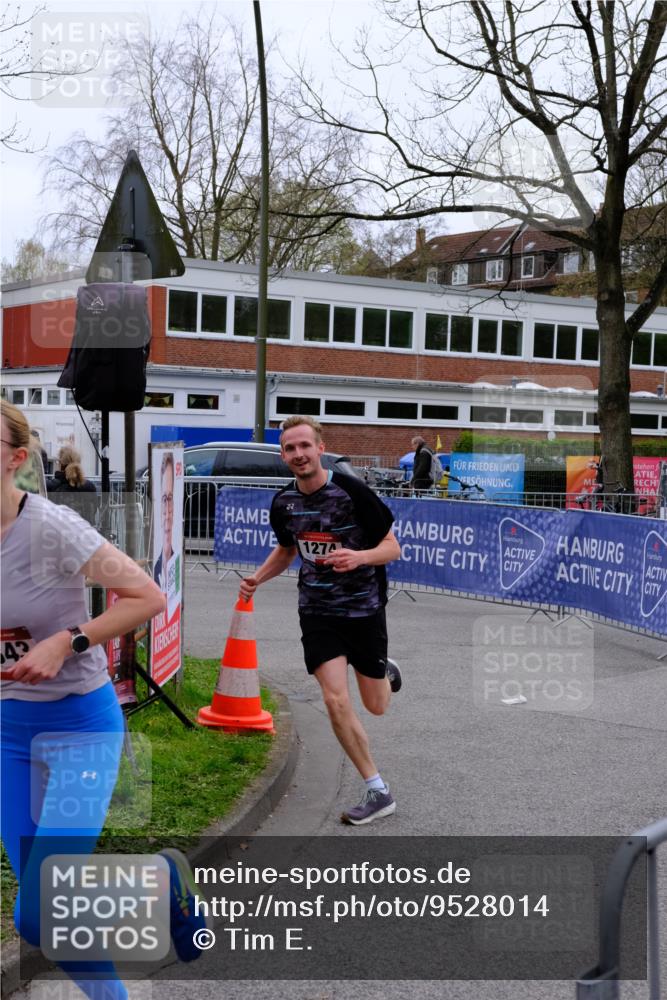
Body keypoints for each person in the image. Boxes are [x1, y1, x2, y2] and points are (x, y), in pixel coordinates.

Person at [0, 401, 204, 1000]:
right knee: (49, 916)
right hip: (9, 736)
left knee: (39, 913)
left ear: (14, 460)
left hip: (79, 727)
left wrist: (69, 639)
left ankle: (163, 878)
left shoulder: (50, 528)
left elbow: (145, 595)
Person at [240, 415, 402, 826]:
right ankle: (377, 789)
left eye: (304, 446)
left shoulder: (351, 491)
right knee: (334, 699)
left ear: (319, 447)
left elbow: (392, 548)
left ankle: (384, 671)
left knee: (376, 705)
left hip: (364, 610)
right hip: (317, 612)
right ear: (282, 455)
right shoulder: (284, 503)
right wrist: (257, 577)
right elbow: (287, 551)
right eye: (290, 449)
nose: (298, 455)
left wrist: (359, 556)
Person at [47, 443, 98, 525]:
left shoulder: (50, 486)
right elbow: (93, 511)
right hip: (85, 533)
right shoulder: (90, 486)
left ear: (60, 463)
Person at [154, 450, 175, 589]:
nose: (167, 511)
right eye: (164, 499)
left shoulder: (176, 561)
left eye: (170, 498)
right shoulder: (155, 569)